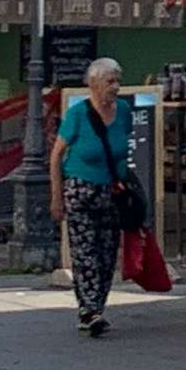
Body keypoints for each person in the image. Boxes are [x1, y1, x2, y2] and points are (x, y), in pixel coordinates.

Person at [51, 57, 133, 338]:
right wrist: (56, 197)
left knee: (107, 254)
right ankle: (89, 311)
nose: (116, 87)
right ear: (94, 84)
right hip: (80, 190)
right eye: (110, 81)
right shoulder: (78, 114)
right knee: (85, 252)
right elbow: (56, 156)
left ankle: (96, 306)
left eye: (118, 81)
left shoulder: (123, 111)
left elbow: (122, 147)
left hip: (112, 191)